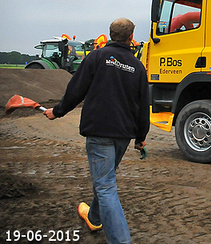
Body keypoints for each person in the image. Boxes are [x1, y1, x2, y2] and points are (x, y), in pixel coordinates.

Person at [44, 18, 149, 244]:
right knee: (106, 179)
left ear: (110, 35)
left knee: (105, 185)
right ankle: (93, 217)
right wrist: (140, 138)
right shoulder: (138, 67)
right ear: (132, 37)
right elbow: (143, 106)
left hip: (100, 132)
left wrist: (57, 111)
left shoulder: (97, 57)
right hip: (123, 135)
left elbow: (76, 90)